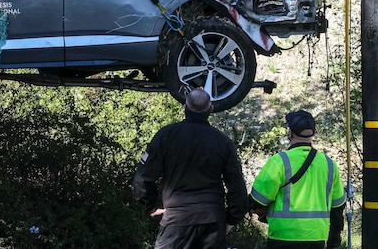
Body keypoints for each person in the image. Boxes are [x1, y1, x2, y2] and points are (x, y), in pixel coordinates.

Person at [133, 88, 248, 249]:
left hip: (175, 220)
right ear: (210, 109)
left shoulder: (166, 135)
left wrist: (150, 207)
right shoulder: (223, 141)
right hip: (212, 221)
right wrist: (231, 220)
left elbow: (142, 178)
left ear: (185, 107)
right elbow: (236, 185)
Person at [249, 109, 346, 249]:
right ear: (313, 133)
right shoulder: (330, 164)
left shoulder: (279, 161)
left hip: (283, 236)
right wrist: (334, 241)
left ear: (290, 132)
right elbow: (338, 208)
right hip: (317, 237)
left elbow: (258, 199)